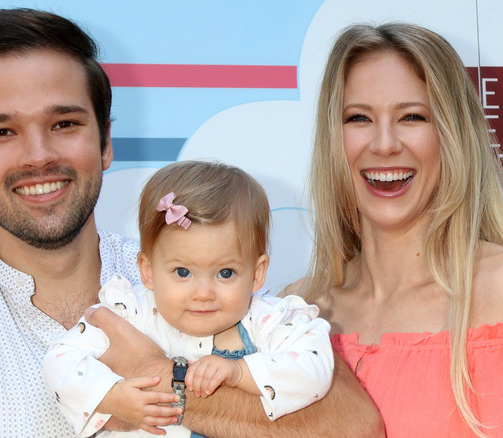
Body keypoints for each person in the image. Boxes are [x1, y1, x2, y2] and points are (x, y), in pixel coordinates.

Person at [0, 7, 384, 438]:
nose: (39, 155)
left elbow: (358, 427)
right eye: (1, 132)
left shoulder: (198, 270)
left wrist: (160, 377)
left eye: (64, 123)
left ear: (106, 141)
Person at [294, 22, 503, 437]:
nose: (385, 143)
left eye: (412, 116)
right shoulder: (299, 311)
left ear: (452, 136)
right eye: (358, 118)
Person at [43, 160, 334, 437]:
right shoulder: (130, 312)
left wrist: (240, 371)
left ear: (257, 274)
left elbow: (315, 368)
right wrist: (111, 396)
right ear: (147, 270)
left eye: (225, 273)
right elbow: (60, 358)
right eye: (183, 272)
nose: (204, 293)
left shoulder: (268, 319)